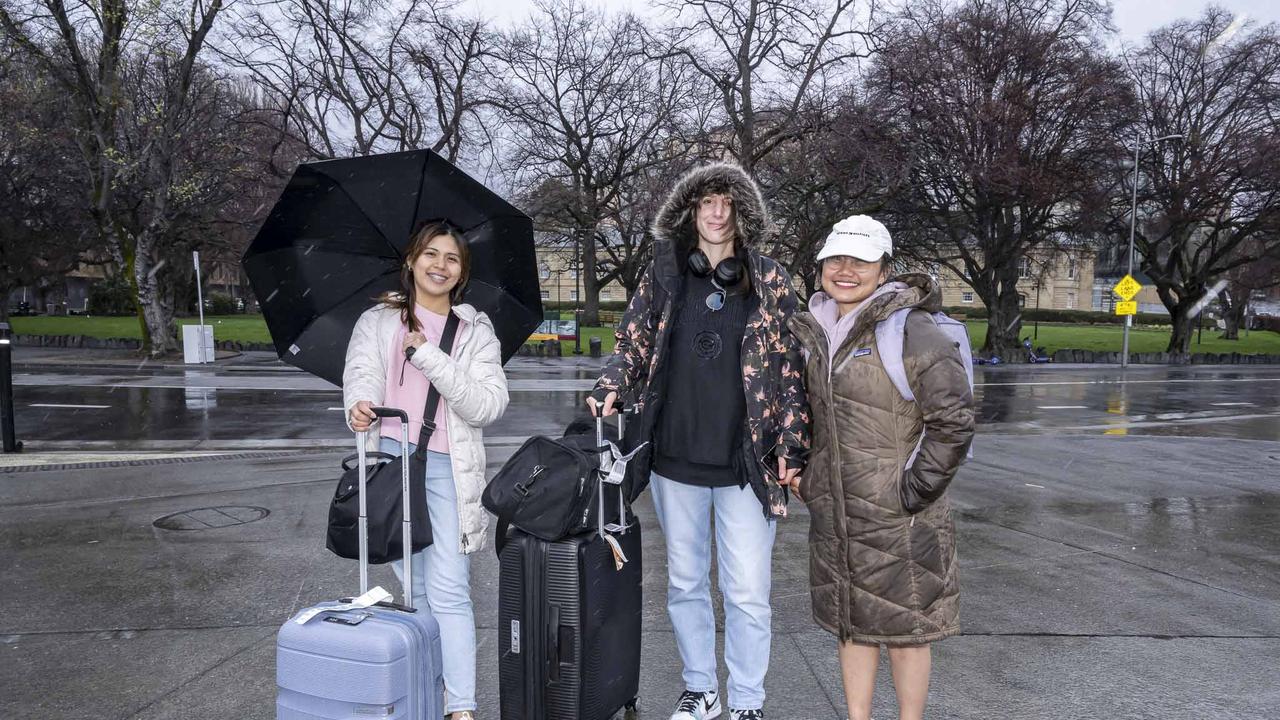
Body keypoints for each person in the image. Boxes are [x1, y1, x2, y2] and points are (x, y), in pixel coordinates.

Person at [588, 162, 810, 720]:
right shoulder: (666, 273)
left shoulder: (769, 278)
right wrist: (612, 382)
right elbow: (632, 341)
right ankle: (701, 691)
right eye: (707, 202)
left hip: (745, 463)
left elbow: (791, 369)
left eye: (728, 203)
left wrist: (792, 442)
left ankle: (748, 703)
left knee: (746, 594)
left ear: (741, 214)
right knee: (685, 584)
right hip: (675, 461)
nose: (716, 213)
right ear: (690, 211)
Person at [787, 216, 974, 720]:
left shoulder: (912, 329)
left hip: (900, 515)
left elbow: (953, 422)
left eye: (860, 261)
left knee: (906, 632)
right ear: (821, 264)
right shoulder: (815, 328)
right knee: (852, 624)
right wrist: (807, 477)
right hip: (837, 513)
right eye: (836, 259)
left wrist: (911, 492)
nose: (845, 270)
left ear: (884, 269)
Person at [342, 221, 510, 720]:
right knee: (414, 589)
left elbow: (487, 405)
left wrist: (427, 355)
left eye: (452, 258)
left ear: (462, 272)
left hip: (445, 469)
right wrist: (359, 404)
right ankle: (429, 688)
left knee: (449, 589)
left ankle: (460, 707)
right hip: (388, 467)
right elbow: (361, 373)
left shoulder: (475, 330)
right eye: (430, 254)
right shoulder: (377, 321)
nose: (440, 265)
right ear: (412, 260)